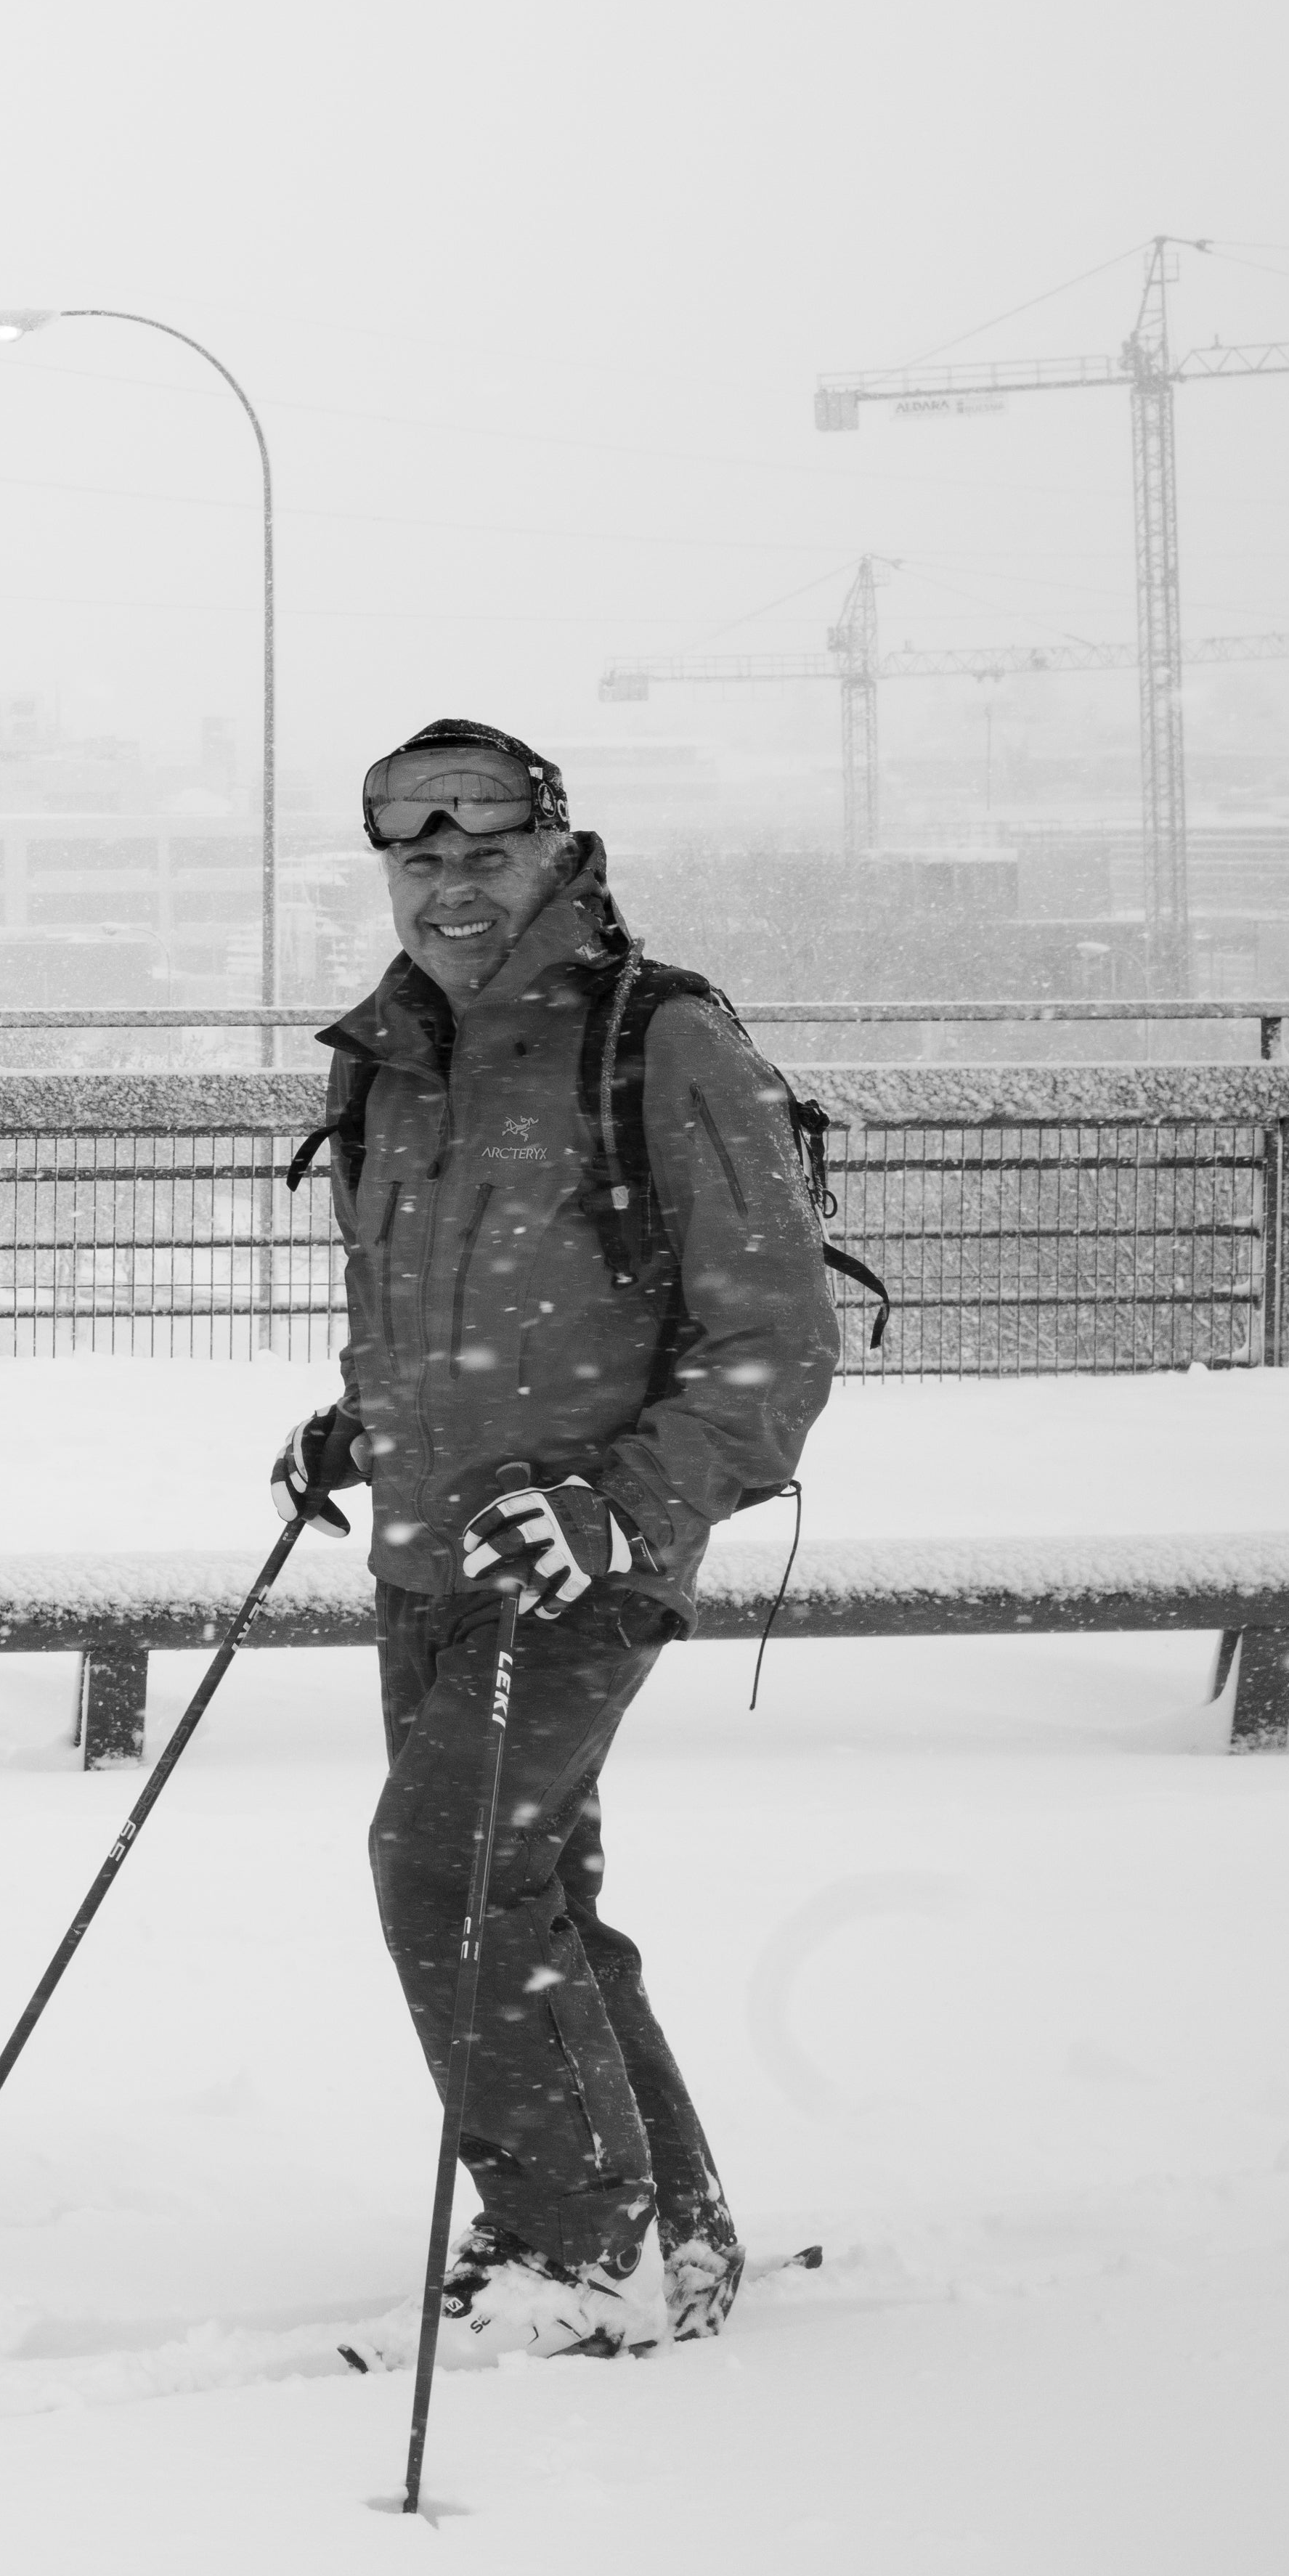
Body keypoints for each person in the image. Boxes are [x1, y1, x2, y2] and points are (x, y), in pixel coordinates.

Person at [275, 722, 840, 2355]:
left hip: (581, 1557)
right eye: (414, 858)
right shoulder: (388, 1048)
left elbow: (773, 1339)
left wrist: (623, 1505)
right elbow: (413, 1296)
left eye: (482, 852)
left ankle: (567, 2250)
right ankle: (676, 2233)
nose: (448, 886)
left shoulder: (655, 1040)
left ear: (556, 849)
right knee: (528, 1899)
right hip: (425, 1551)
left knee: (442, 1869)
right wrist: (358, 1425)